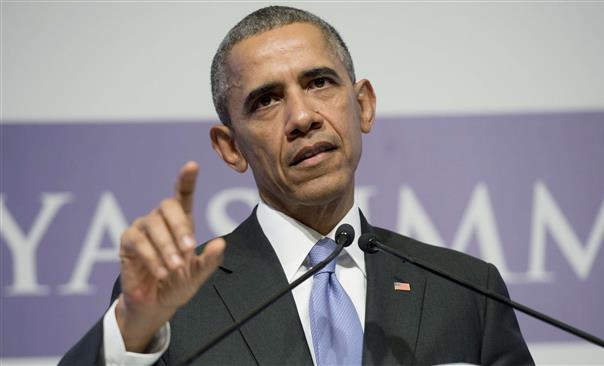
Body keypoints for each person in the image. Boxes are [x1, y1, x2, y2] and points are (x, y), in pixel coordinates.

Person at [60, 6, 533, 366]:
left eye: (320, 83)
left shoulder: (468, 293)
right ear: (230, 147)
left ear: (363, 105)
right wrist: (129, 330)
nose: (302, 117)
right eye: (266, 100)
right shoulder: (172, 304)